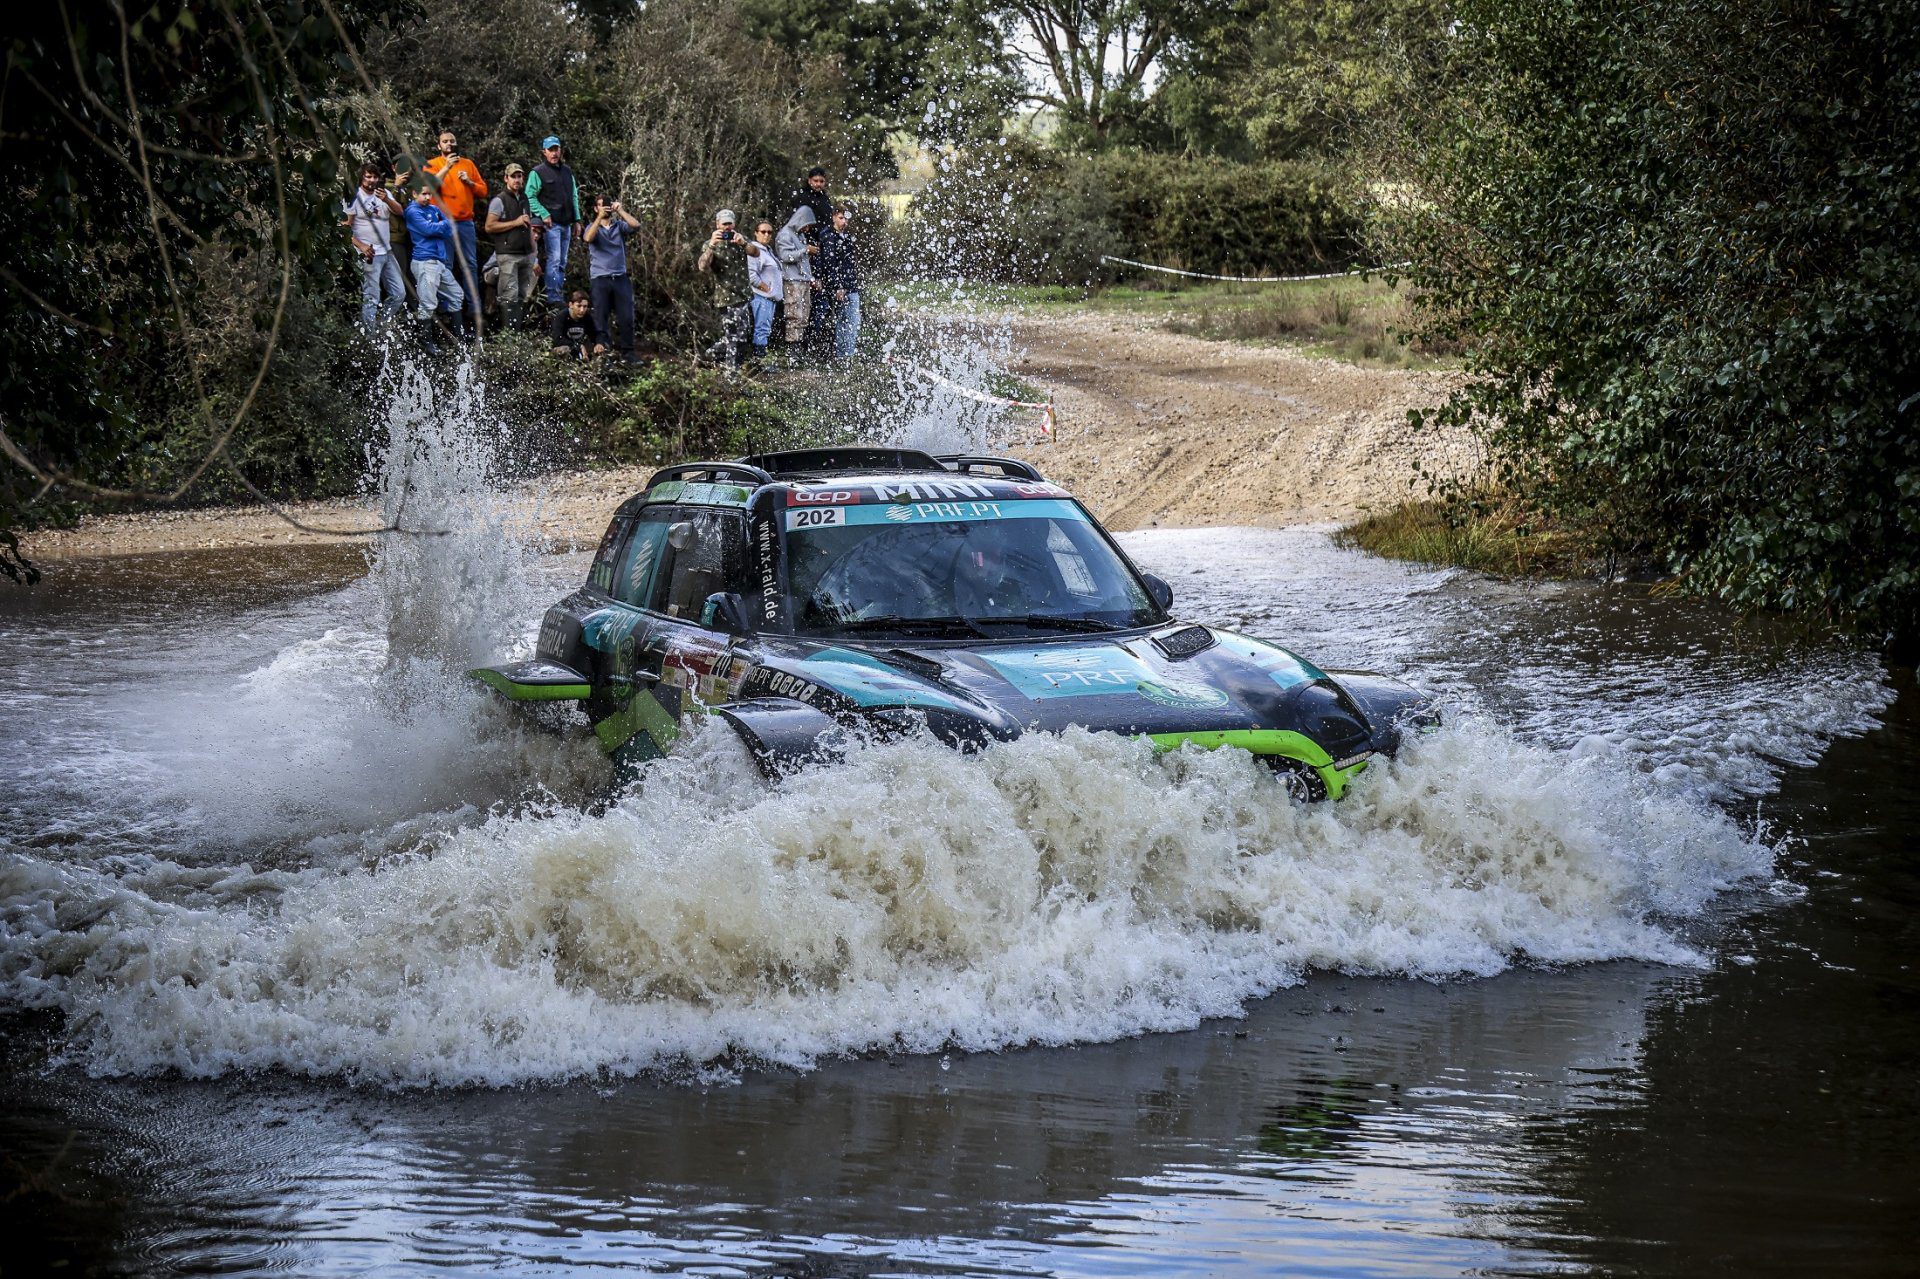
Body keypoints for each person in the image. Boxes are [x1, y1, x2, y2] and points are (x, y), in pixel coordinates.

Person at [422, 128, 488, 334]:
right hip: (443, 222)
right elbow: (429, 188)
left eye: (452, 141)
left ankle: (474, 309)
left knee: (470, 264)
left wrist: (469, 182)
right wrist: (447, 167)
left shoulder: (468, 164)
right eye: (445, 141)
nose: (449, 144)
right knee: (445, 265)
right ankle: (446, 308)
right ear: (438, 145)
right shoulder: (433, 164)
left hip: (466, 222)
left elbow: (483, 191)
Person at [342, 163, 406, 331]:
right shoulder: (354, 197)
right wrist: (361, 246)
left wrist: (386, 199)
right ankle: (369, 337)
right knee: (371, 296)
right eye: (368, 177)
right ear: (361, 177)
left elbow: (400, 211)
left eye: (374, 177)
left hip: (387, 251)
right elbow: (344, 229)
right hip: (368, 254)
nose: (371, 180)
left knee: (399, 293)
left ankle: (382, 327)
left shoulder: (384, 193)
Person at [696, 209, 760, 366]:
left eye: (729, 224)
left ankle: (709, 355)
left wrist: (743, 243)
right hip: (725, 297)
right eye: (724, 224)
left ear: (734, 224)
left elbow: (756, 253)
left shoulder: (739, 240)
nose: (727, 228)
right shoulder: (710, 244)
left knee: (743, 336)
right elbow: (702, 266)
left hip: (743, 295)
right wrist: (711, 245)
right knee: (732, 337)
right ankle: (731, 372)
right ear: (717, 224)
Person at [402, 185, 463, 350]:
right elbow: (428, 229)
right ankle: (426, 341)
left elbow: (450, 228)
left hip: (439, 261)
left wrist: (440, 226)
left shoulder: (434, 208)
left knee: (456, 295)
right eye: (424, 194)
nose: (428, 197)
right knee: (428, 303)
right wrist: (441, 225)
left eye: (430, 194)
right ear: (414, 193)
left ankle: (458, 337)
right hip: (424, 261)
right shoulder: (412, 211)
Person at [584, 193, 641, 363]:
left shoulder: (619, 226)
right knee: (601, 316)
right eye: (601, 205)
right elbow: (588, 238)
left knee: (626, 316)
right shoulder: (591, 226)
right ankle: (604, 351)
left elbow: (636, 225)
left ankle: (628, 352)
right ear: (596, 208)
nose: (605, 207)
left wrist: (621, 210)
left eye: (606, 204)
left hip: (620, 276)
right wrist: (598, 218)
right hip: (600, 278)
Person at [526, 135, 581, 305]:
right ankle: (553, 298)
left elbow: (574, 196)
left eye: (556, 149)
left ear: (560, 150)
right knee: (554, 259)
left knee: (563, 262)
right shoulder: (537, 172)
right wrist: (543, 214)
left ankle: (558, 294)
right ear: (544, 152)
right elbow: (530, 196)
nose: (554, 153)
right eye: (550, 150)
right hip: (551, 224)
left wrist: (577, 219)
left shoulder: (567, 171)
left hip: (566, 222)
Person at [485, 163, 538, 329]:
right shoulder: (499, 200)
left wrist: (533, 251)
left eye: (519, 176)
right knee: (509, 295)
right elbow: (489, 226)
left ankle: (517, 334)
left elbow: (528, 225)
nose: (517, 179)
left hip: (525, 253)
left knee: (522, 295)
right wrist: (515, 222)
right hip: (507, 254)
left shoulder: (524, 199)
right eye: (513, 176)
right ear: (506, 178)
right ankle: (508, 336)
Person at [818, 207, 863, 359]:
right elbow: (830, 264)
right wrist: (838, 286)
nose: (844, 222)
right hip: (838, 286)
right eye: (841, 218)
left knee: (852, 321)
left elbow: (848, 263)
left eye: (846, 219)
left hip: (850, 285)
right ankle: (841, 355)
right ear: (834, 217)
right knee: (842, 321)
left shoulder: (846, 237)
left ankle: (847, 354)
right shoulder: (829, 237)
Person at [774, 205, 819, 350]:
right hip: (792, 281)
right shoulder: (785, 235)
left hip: (803, 280)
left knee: (804, 315)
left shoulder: (799, 235)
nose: (807, 230)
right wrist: (805, 250)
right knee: (794, 315)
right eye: (806, 226)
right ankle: (791, 349)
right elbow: (785, 256)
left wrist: (810, 278)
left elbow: (803, 262)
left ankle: (798, 345)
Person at [745, 219, 783, 364]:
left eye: (769, 232)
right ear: (756, 233)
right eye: (763, 232)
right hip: (761, 297)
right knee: (761, 329)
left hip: (770, 298)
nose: (766, 235)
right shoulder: (754, 251)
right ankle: (758, 361)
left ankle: (759, 360)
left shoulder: (768, 251)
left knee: (765, 328)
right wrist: (768, 289)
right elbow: (752, 276)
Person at [550, 290, 602, 361]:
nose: (582, 310)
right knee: (565, 350)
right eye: (579, 306)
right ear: (571, 305)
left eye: (585, 306)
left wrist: (598, 343)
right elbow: (557, 339)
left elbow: (594, 334)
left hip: (580, 349)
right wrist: (577, 346)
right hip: (564, 349)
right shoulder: (561, 317)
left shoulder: (588, 317)